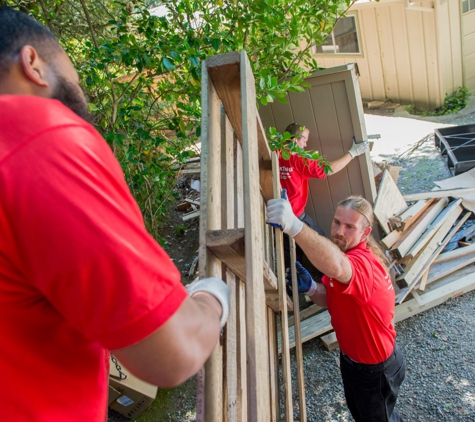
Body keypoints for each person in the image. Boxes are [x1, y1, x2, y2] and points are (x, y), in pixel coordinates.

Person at [0, 7, 229, 421]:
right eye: (71, 70)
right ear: (33, 63)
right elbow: (171, 354)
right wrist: (213, 299)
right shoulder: (38, 135)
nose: (80, 91)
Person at [267, 194, 405, 422]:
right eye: (337, 222)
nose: (340, 231)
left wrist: (293, 225)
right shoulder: (346, 258)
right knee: (363, 414)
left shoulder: (360, 264)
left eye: (350, 226)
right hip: (354, 361)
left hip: (376, 370)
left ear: (365, 233)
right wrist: (312, 288)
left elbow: (340, 267)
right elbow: (333, 299)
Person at [279, 123, 368, 267]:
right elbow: (328, 170)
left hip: (280, 214)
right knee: (320, 242)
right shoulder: (299, 159)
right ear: (295, 140)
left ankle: (292, 281)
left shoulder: (275, 153)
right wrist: (353, 153)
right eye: (304, 140)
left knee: (291, 253)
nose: (306, 145)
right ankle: (332, 272)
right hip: (295, 216)